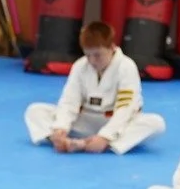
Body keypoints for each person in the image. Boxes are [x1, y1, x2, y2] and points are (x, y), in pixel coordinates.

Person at [23, 22, 164, 155]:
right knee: (35, 110)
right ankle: (60, 140)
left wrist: (105, 136)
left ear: (112, 47)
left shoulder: (126, 67)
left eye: (97, 55)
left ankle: (98, 144)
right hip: (85, 121)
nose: (92, 60)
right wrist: (61, 127)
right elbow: (69, 101)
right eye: (88, 55)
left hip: (114, 121)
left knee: (156, 124)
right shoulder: (80, 66)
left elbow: (125, 108)